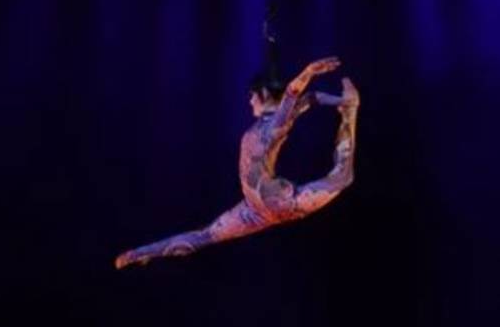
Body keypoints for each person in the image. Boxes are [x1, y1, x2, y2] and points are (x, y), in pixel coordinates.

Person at [115, 56, 359, 269]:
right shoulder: (274, 120)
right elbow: (311, 98)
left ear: (264, 94)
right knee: (204, 236)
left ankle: (351, 112)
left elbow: (293, 94)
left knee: (342, 177)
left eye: (251, 95)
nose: (250, 101)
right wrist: (339, 100)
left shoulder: (277, 123)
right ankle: (141, 253)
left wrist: (309, 73)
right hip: (254, 211)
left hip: (279, 203)